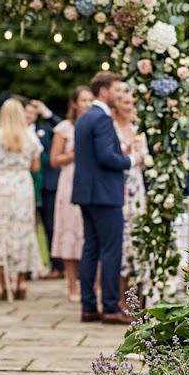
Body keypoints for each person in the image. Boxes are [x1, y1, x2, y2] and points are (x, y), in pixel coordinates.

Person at [72, 72, 138, 325]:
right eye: (117, 90)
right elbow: (106, 157)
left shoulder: (84, 117)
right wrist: (132, 160)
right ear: (104, 91)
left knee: (90, 249)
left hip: (87, 193)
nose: (119, 95)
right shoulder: (101, 118)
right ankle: (110, 307)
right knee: (110, 251)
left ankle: (88, 306)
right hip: (105, 194)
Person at [0, 98, 43, 299]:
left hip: (1, 185)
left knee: (1, 231)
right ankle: (21, 282)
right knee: (23, 231)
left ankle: (2, 283)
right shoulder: (31, 137)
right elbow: (35, 167)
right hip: (23, 186)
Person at [50, 86, 93, 303]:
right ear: (74, 103)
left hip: (91, 180)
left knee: (89, 233)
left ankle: (93, 283)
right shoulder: (64, 128)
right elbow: (54, 160)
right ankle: (72, 284)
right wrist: (74, 155)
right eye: (83, 100)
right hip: (69, 180)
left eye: (90, 100)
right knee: (69, 231)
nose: (87, 104)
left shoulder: (98, 125)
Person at [113, 85, 147, 311]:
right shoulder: (111, 128)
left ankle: (138, 297)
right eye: (125, 103)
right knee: (121, 241)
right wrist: (127, 150)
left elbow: (144, 161)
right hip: (119, 186)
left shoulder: (138, 130)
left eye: (132, 103)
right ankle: (118, 296)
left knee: (137, 240)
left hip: (137, 187)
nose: (129, 107)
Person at [25, 98, 63, 278]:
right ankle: (26, 268)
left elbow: (63, 128)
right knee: (25, 226)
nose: (28, 116)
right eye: (26, 112)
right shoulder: (14, 132)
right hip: (24, 184)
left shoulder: (45, 130)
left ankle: (57, 266)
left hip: (47, 184)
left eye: (32, 113)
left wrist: (47, 113)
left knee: (50, 225)